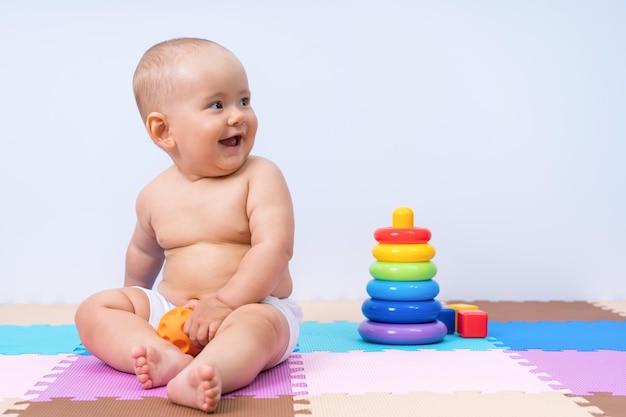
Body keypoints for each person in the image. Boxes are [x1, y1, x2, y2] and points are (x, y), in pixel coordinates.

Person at [74, 37, 302, 413]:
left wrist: (226, 303)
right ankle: (164, 356)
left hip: (252, 305)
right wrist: (138, 307)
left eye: (244, 100)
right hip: (174, 312)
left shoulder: (260, 176)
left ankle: (213, 371)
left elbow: (274, 247)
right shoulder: (154, 194)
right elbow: (143, 251)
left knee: (258, 330)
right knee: (94, 309)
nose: (237, 115)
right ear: (164, 131)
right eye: (217, 104)